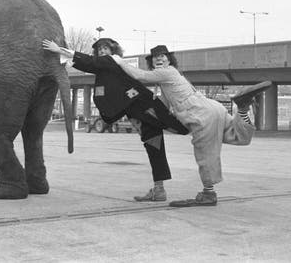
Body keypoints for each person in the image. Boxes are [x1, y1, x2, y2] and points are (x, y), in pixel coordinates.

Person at [111, 44, 271, 207]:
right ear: (152, 61)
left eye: (163, 56)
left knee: (206, 152)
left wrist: (119, 62)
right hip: (212, 108)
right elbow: (164, 107)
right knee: (237, 136)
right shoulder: (167, 79)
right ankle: (243, 109)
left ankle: (208, 193)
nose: (159, 58)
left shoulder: (168, 71)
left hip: (200, 113)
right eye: (155, 57)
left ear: (169, 59)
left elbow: (141, 76)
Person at [43, 38, 189, 202]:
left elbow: (90, 62)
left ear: (113, 51)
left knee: (183, 127)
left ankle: (201, 130)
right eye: (99, 49)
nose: (102, 51)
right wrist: (65, 58)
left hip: (144, 106)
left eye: (105, 48)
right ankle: (159, 189)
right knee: (154, 147)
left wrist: (60, 50)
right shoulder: (103, 66)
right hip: (136, 111)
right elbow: (89, 64)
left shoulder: (111, 61)